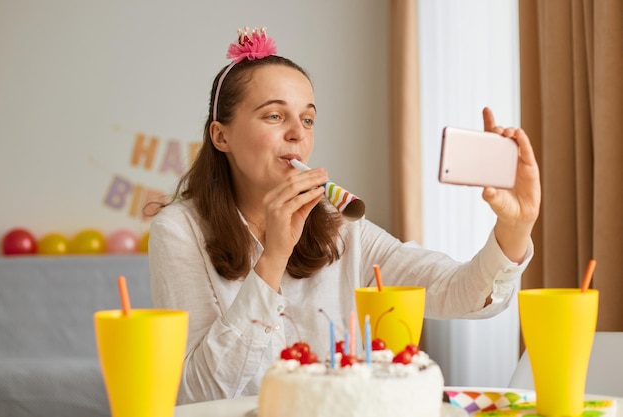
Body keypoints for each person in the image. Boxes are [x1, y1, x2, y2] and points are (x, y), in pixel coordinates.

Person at [148, 27, 541, 404]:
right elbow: (198, 393)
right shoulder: (179, 231)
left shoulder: (339, 226)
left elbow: (456, 292)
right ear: (221, 136)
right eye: (274, 116)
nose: (297, 134)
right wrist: (273, 259)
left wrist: (515, 226)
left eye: (307, 119)